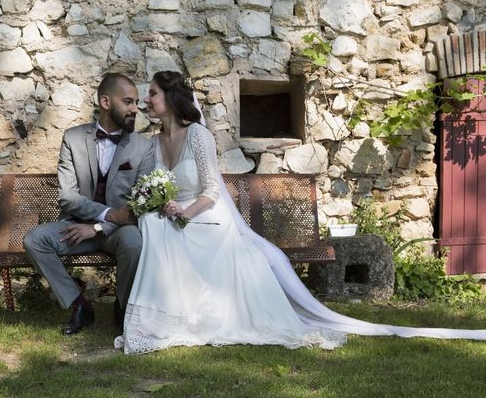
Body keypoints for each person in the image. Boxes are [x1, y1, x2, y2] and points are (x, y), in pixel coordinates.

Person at [115, 70, 486, 354]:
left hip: (207, 216)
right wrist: (161, 203)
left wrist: (184, 211)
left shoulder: (198, 135)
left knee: (168, 230)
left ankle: (178, 317)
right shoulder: (156, 140)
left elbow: (212, 191)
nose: (147, 100)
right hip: (179, 211)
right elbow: (157, 184)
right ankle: (158, 319)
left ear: (171, 98)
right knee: (154, 224)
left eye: (152, 93)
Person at [24, 72, 154, 335]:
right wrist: (105, 215)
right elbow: (68, 197)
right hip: (77, 227)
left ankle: (123, 306)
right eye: (128, 102)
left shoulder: (143, 147)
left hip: (119, 231)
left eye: (136, 102)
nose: (135, 109)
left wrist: (98, 227)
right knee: (34, 240)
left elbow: (141, 205)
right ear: (106, 102)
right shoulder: (73, 138)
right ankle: (80, 304)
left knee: (134, 242)